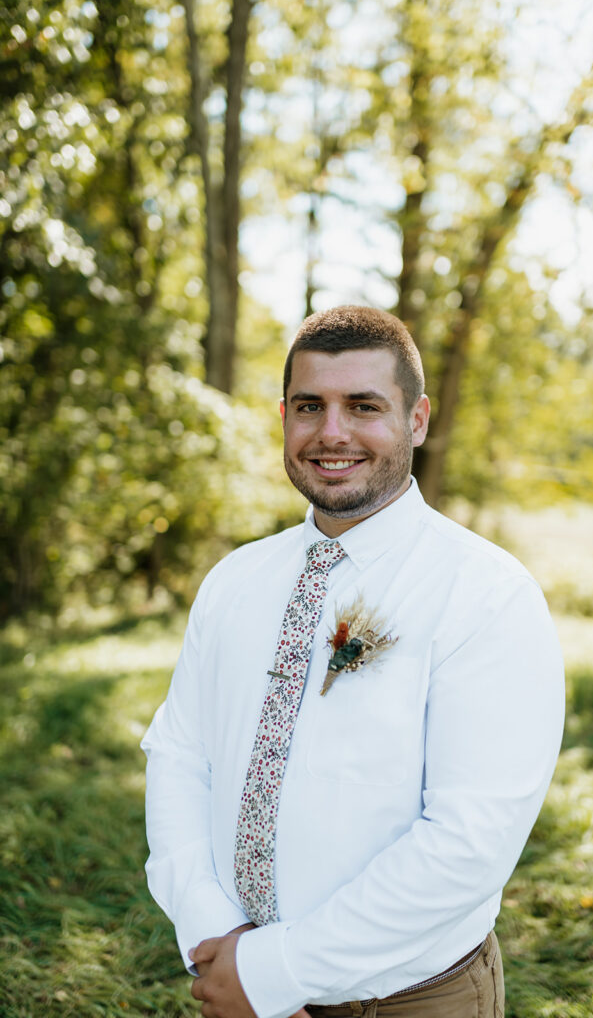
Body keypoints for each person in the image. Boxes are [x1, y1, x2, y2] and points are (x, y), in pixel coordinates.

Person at [142, 305, 564, 1018]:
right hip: (233, 980)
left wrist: (278, 971)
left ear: (417, 420)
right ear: (283, 416)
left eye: (363, 406)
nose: (330, 432)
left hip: (406, 1000)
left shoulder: (486, 594)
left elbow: (468, 842)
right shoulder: (234, 580)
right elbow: (179, 755)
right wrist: (216, 937)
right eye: (309, 406)